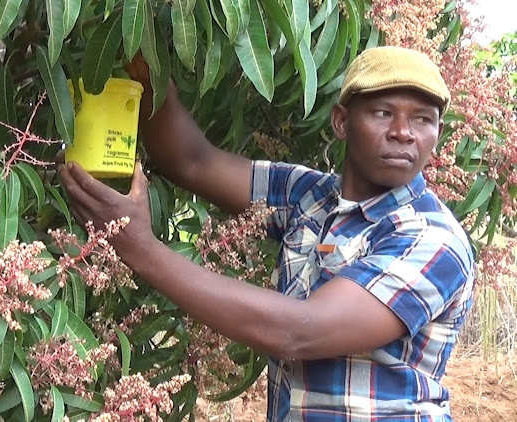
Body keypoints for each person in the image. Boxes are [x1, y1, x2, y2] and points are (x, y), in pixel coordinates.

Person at [59, 46, 475, 421]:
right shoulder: (309, 195)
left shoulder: (433, 238)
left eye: (423, 120)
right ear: (342, 122)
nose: (404, 132)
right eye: (384, 113)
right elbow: (192, 161)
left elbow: (302, 330)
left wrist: (142, 250)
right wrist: (148, 68)